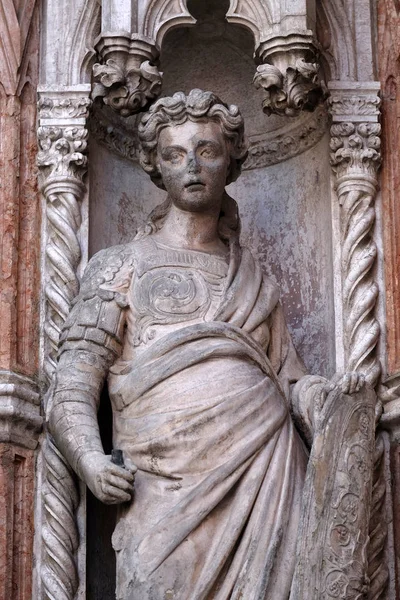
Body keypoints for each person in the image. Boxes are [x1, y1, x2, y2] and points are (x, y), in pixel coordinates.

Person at [49, 89, 365, 599]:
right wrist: (89, 458)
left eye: (207, 151)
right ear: (155, 167)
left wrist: (326, 400)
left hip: (265, 473)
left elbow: (289, 379)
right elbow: (71, 383)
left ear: (231, 161)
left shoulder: (254, 278)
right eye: (174, 155)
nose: (191, 166)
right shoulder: (120, 265)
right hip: (161, 491)